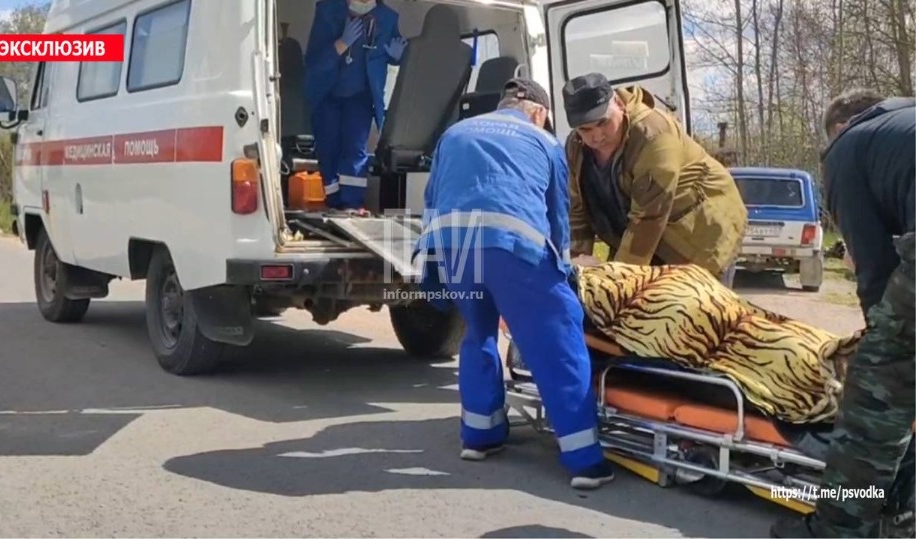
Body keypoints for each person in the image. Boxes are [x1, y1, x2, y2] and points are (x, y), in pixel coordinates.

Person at [412, 78, 615, 490]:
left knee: (477, 333)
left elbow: (432, 198)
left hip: (455, 246)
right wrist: (563, 271)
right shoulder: (544, 142)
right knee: (556, 340)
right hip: (513, 246)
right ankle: (584, 460)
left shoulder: (454, 133)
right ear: (539, 113)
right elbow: (558, 214)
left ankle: (480, 436)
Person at [770, 89, 915, 538]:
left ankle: (839, 528)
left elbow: (873, 267)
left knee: (875, 405)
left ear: (836, 129)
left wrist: (880, 342)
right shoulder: (904, 123)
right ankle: (902, 512)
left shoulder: (846, 149)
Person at [561, 72, 748, 287]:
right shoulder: (576, 147)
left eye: (603, 122)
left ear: (619, 104)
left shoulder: (655, 135)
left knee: (700, 313)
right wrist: (575, 266)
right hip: (642, 238)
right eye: (585, 129)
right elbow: (577, 211)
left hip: (701, 237)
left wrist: (618, 282)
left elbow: (648, 217)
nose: (596, 135)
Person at [304, 0, 407, 211]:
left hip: (361, 97)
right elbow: (314, 63)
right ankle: (333, 203)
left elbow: (389, 52)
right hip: (328, 95)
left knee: (354, 151)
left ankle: (352, 204)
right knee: (328, 150)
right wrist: (340, 44)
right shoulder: (328, 10)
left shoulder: (387, 18)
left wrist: (395, 57)